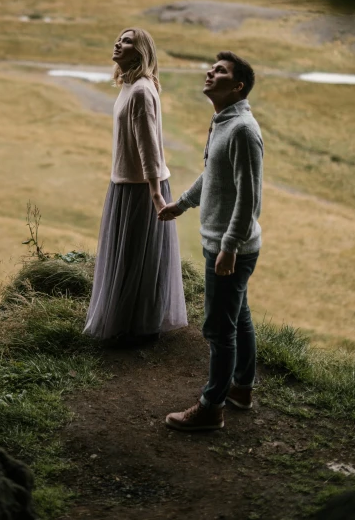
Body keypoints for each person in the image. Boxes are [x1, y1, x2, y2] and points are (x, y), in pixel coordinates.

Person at [159, 51, 263, 430]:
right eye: (212, 67)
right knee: (239, 317)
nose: (209, 72)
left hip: (229, 246)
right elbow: (213, 175)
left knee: (219, 329)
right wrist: (182, 204)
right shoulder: (224, 122)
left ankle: (210, 406)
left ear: (237, 86)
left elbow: (249, 197)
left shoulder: (243, 130)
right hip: (224, 243)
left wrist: (229, 247)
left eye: (219, 71)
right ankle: (241, 388)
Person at [83, 28, 187, 345]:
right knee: (129, 255)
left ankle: (140, 328)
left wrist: (156, 194)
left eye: (126, 40)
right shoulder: (130, 86)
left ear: (140, 52)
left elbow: (149, 147)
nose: (118, 42)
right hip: (126, 182)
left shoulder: (141, 91)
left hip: (141, 187)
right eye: (118, 38)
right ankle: (129, 323)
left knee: (137, 257)